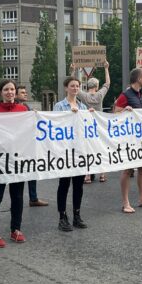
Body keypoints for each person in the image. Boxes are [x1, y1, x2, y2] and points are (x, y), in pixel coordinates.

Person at [0, 79, 28, 247]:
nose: (9, 92)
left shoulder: (23, 109)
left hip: (18, 160)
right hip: (0, 161)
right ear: (0, 92)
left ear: (15, 92)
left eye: (12, 89)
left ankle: (15, 229)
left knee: (17, 196)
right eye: (6, 89)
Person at [114, 68, 142, 213]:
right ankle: (125, 202)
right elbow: (115, 112)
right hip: (129, 139)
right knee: (127, 170)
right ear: (138, 78)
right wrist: (123, 110)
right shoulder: (125, 95)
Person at [53, 76, 93, 231]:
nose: (75, 88)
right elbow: (56, 126)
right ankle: (62, 217)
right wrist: (70, 114)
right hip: (65, 151)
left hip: (79, 151)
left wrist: (89, 116)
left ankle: (77, 214)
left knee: (78, 185)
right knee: (64, 184)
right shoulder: (59, 106)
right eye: (72, 86)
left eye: (77, 86)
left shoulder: (83, 107)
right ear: (66, 88)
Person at [75, 62, 111, 184]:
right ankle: (102, 174)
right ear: (97, 86)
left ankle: (88, 175)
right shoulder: (100, 95)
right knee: (100, 148)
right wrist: (106, 69)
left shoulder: (84, 96)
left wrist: (73, 71)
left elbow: (74, 88)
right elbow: (108, 84)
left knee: (88, 150)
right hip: (98, 125)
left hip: (86, 126)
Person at [15, 85, 49, 207]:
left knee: (32, 170)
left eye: (25, 92)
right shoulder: (15, 108)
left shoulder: (26, 107)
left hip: (28, 144)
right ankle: (17, 200)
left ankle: (33, 198)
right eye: (22, 92)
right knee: (19, 172)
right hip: (18, 146)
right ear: (16, 95)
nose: (25, 94)